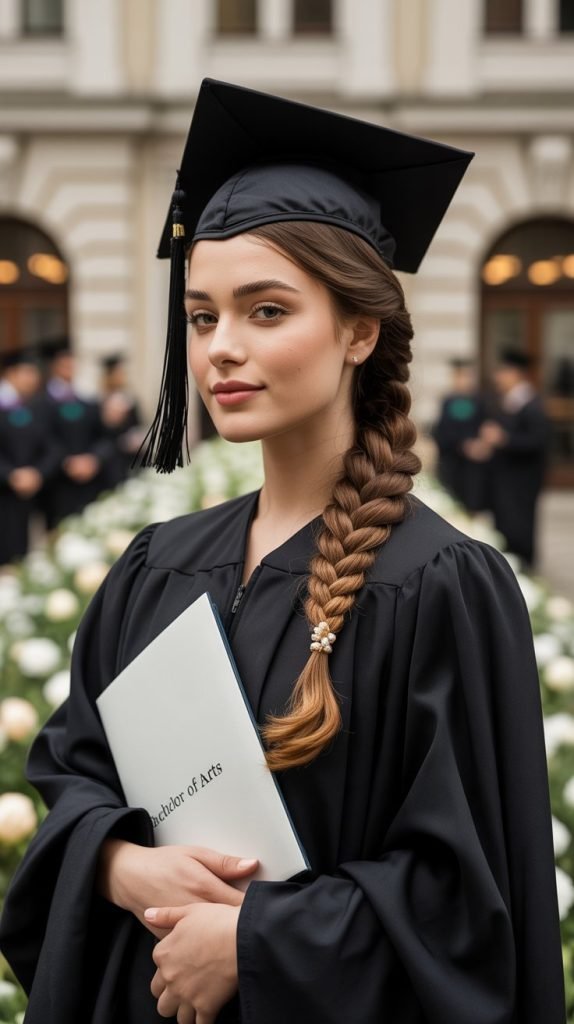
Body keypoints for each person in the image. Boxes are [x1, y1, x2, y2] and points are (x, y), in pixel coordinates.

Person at [0, 80, 564, 1024]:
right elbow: (73, 772)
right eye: (203, 315)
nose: (221, 347)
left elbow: (468, 905)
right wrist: (119, 863)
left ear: (358, 330)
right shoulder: (157, 568)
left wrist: (256, 942)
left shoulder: (439, 588)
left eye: (267, 311)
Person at [480, 349, 549, 568]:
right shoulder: (508, 401)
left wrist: (503, 439)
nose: (497, 378)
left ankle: (524, 569)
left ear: (515, 374)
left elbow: (537, 441)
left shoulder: (532, 405)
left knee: (520, 526)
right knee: (505, 525)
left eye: (502, 372)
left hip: (522, 481)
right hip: (505, 479)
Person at [36, 339, 115, 528]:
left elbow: (104, 437)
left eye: (72, 363)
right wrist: (67, 461)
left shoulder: (87, 401)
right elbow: (42, 438)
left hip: (89, 480)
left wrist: (93, 459)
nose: (69, 367)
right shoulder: (40, 403)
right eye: (64, 363)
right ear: (53, 366)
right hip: (58, 483)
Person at [0, 348, 60, 565]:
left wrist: (37, 472)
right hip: (4, 490)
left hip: (27, 494)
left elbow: (51, 446)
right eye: (28, 373)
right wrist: (11, 475)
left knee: (20, 552)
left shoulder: (36, 406)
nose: (34, 379)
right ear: (11, 373)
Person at [431, 357, 487, 512]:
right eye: (459, 376)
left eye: (466, 376)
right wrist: (462, 445)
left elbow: (485, 428)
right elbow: (442, 432)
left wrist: (480, 445)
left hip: (472, 467)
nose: (462, 380)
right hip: (452, 461)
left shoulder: (479, 402)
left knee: (471, 502)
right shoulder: (448, 402)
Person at [100, 354, 146, 487]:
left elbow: (138, 424)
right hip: (112, 456)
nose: (121, 376)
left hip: (131, 455)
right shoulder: (101, 400)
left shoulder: (129, 398)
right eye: (118, 373)